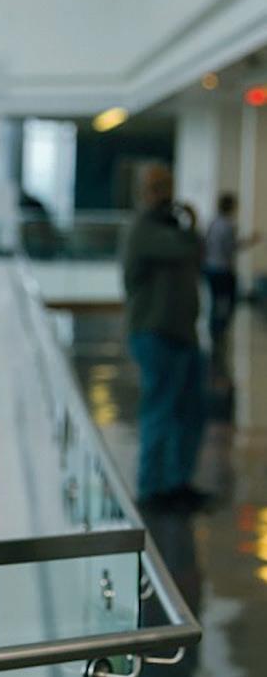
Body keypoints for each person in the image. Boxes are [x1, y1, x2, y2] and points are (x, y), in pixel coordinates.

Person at [121, 164, 207, 512]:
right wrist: (192, 223)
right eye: (155, 186)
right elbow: (186, 248)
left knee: (189, 413)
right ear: (142, 191)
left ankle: (177, 483)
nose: (162, 193)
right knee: (160, 411)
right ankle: (152, 488)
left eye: (166, 185)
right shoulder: (143, 229)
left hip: (183, 332)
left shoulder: (169, 226)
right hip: (155, 334)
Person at [204, 192, 261, 380]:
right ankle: (219, 331)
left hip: (211, 268)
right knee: (225, 302)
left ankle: (216, 330)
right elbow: (230, 248)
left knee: (216, 301)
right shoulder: (228, 226)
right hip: (223, 270)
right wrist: (250, 241)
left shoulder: (213, 223)